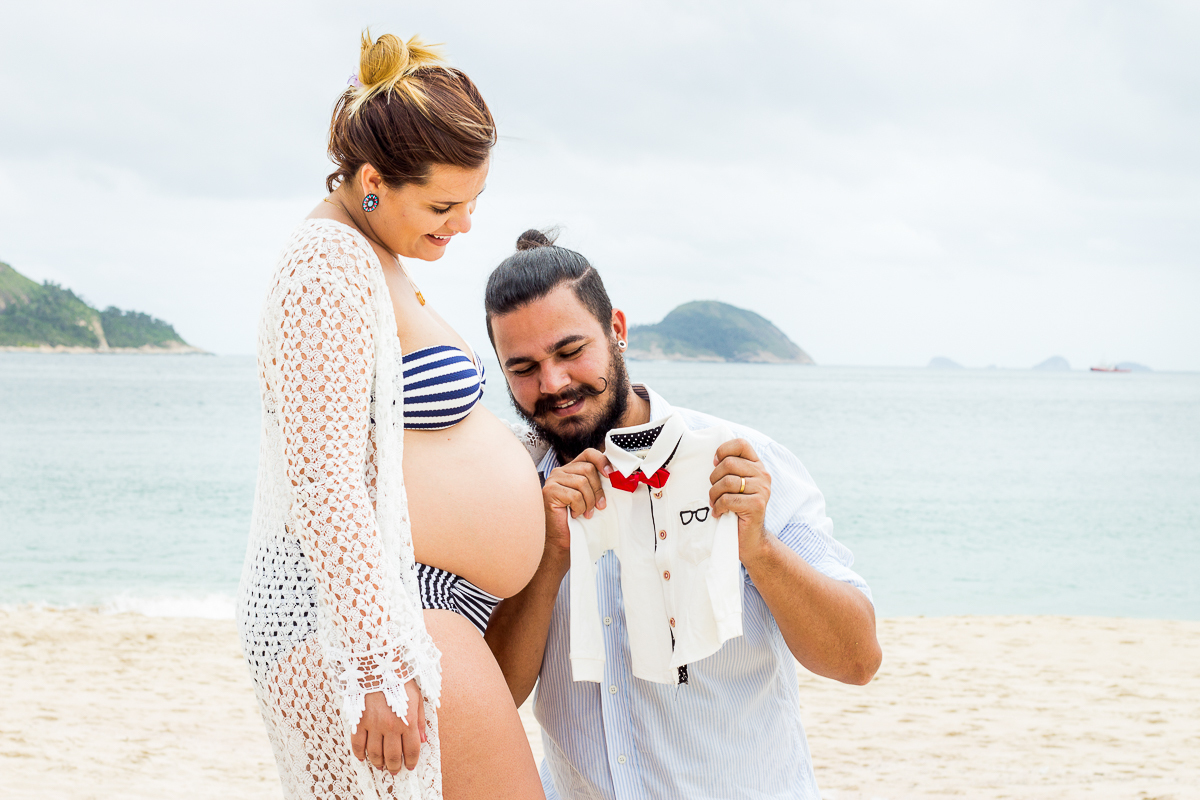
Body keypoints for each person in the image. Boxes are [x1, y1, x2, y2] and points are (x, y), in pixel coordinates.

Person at [237, 34, 546, 799]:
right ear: (373, 181)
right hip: (368, 614)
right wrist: (374, 665)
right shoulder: (325, 269)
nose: (464, 225)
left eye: (474, 204)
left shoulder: (373, 252)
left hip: (412, 603)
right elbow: (325, 482)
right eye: (444, 206)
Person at [483, 230, 882, 800]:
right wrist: (549, 560)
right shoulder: (512, 491)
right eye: (522, 368)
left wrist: (759, 550)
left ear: (616, 331)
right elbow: (494, 694)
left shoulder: (743, 462)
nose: (553, 384)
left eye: (571, 352)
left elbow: (858, 659)